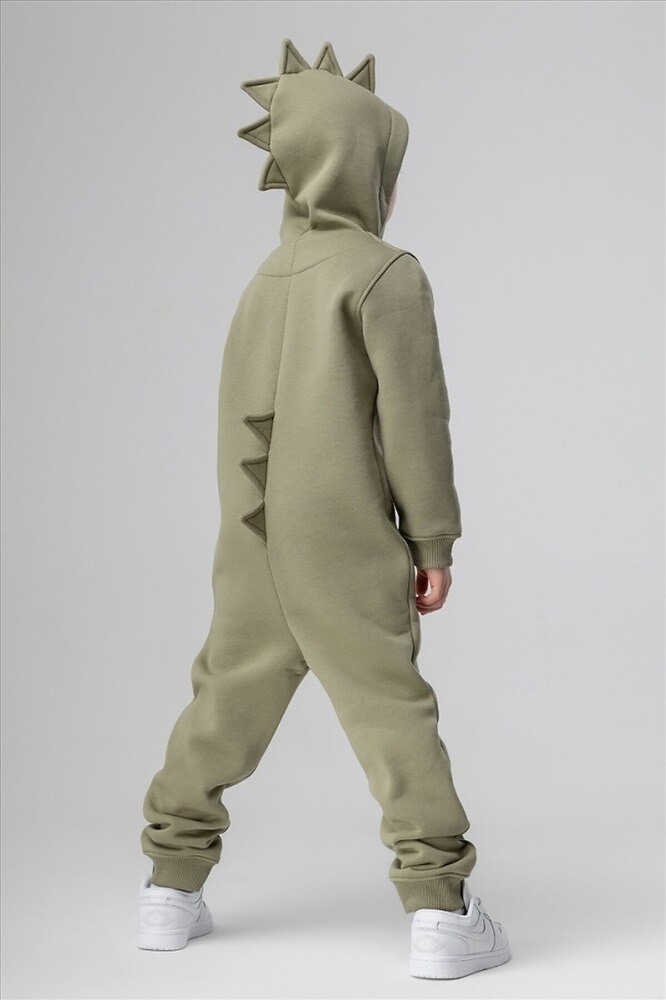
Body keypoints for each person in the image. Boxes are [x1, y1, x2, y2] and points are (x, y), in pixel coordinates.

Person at [136, 37, 512, 981]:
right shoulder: (387, 273)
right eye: (389, 164)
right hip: (342, 547)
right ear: (362, 167)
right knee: (392, 714)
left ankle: (169, 890)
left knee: (223, 704)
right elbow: (415, 423)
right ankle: (441, 911)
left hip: (250, 545)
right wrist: (433, 542)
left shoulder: (259, 286)